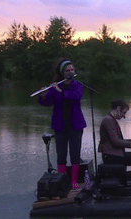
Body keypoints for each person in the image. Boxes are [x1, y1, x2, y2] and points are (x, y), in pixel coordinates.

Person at [38, 58, 87, 189]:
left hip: (75, 125)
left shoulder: (77, 86)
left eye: (72, 70)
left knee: (75, 154)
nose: (70, 72)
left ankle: (74, 182)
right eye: (67, 70)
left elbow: (74, 97)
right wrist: (43, 95)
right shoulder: (55, 86)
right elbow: (47, 103)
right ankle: (62, 182)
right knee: (61, 154)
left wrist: (60, 91)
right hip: (60, 125)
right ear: (62, 73)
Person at [98, 100, 131, 175]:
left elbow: (118, 140)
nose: (124, 116)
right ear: (118, 108)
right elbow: (116, 142)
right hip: (112, 156)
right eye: (124, 112)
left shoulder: (111, 119)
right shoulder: (108, 121)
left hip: (114, 154)